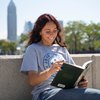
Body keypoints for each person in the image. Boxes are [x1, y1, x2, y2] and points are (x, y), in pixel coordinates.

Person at [20, 13, 100, 100]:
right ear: (40, 32)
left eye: (55, 30)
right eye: (48, 31)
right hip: (46, 93)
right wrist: (50, 71)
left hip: (67, 90)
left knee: (94, 94)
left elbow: (73, 74)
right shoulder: (33, 49)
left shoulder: (62, 49)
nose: (52, 34)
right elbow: (32, 80)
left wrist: (80, 82)